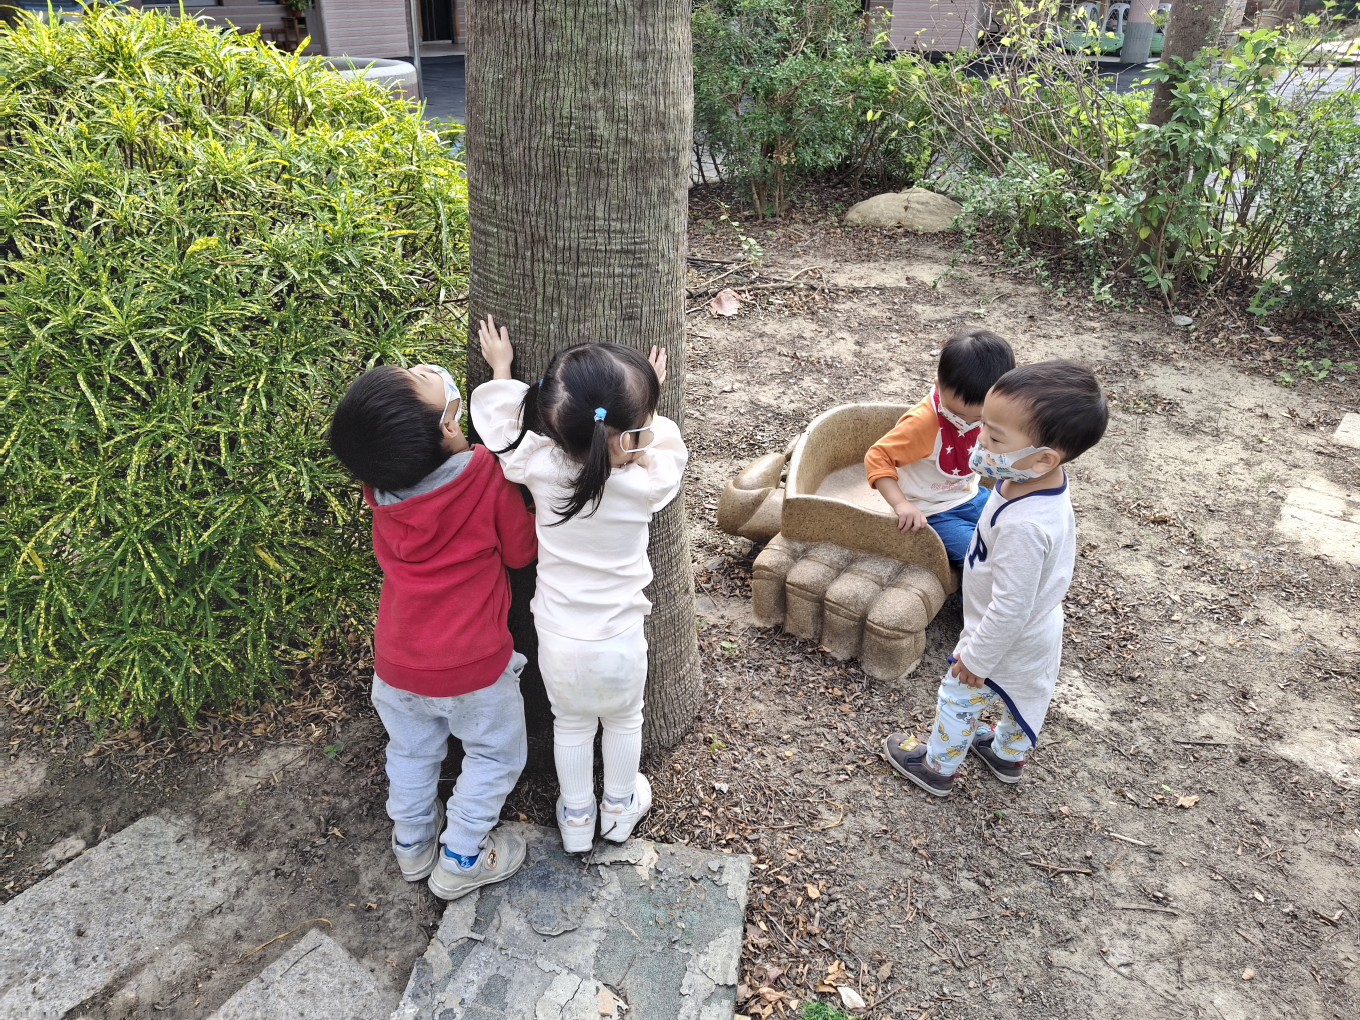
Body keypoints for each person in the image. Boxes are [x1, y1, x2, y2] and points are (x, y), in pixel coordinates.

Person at [471, 316, 688, 853]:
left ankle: (574, 820)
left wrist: (502, 370)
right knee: (625, 721)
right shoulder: (646, 480)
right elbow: (668, 446)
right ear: (632, 434)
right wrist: (649, 405)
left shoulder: (538, 465)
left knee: (570, 726)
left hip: (559, 640)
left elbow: (500, 428)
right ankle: (618, 809)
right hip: (620, 642)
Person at [329, 361, 537, 898]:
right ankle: (463, 856)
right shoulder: (483, 475)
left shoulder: (381, 495)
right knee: (494, 756)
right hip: (474, 668)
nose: (424, 367)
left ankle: (412, 845)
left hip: (397, 666)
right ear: (448, 424)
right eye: (420, 376)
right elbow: (521, 552)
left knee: (411, 753)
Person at [883, 360, 1109, 796]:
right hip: (1037, 629)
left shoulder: (1027, 526)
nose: (980, 439)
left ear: (1043, 457)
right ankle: (1007, 755)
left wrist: (977, 658)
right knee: (1025, 693)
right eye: (983, 425)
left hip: (1003, 631)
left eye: (995, 436)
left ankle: (937, 768)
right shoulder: (1032, 479)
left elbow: (1011, 606)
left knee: (959, 693)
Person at [864, 329, 1016, 565]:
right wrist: (901, 504)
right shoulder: (923, 424)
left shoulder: (994, 410)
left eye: (979, 418)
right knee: (977, 558)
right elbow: (877, 456)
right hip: (932, 511)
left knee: (1014, 527)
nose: (967, 422)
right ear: (939, 385)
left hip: (970, 494)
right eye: (956, 413)